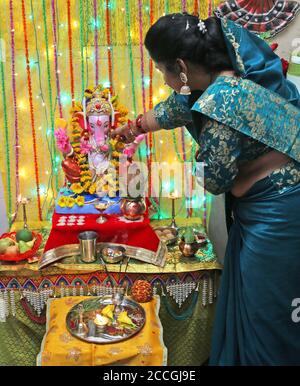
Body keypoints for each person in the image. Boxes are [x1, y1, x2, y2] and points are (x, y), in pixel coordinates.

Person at [113, 13, 300, 365]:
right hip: (262, 211)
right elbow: (172, 110)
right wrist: (135, 126)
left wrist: (174, 171)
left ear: (181, 66)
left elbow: (215, 179)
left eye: (164, 72)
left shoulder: (221, 104)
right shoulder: (223, 73)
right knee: (251, 300)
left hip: (279, 215)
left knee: (266, 312)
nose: (165, 81)